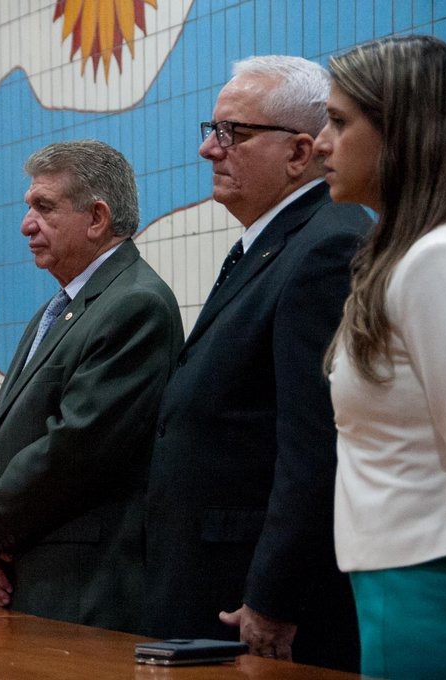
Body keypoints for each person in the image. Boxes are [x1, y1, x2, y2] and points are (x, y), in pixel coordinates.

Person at [139, 55, 369, 670]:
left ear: (299, 153)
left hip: (253, 598)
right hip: (212, 579)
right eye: (211, 129)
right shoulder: (270, 243)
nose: (208, 151)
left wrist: (273, 595)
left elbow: (315, 447)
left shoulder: (327, 246)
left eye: (231, 133)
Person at [0, 140, 183, 632]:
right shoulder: (58, 308)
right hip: (23, 569)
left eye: (44, 207)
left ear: (97, 217)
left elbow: (76, 446)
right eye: (29, 207)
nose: (26, 224)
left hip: (80, 586)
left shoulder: (135, 304)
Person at [315, 35, 446, 678]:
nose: (322, 143)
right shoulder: (408, 256)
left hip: (441, 586)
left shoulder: (442, 259)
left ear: (402, 130)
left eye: (338, 121)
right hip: (403, 580)